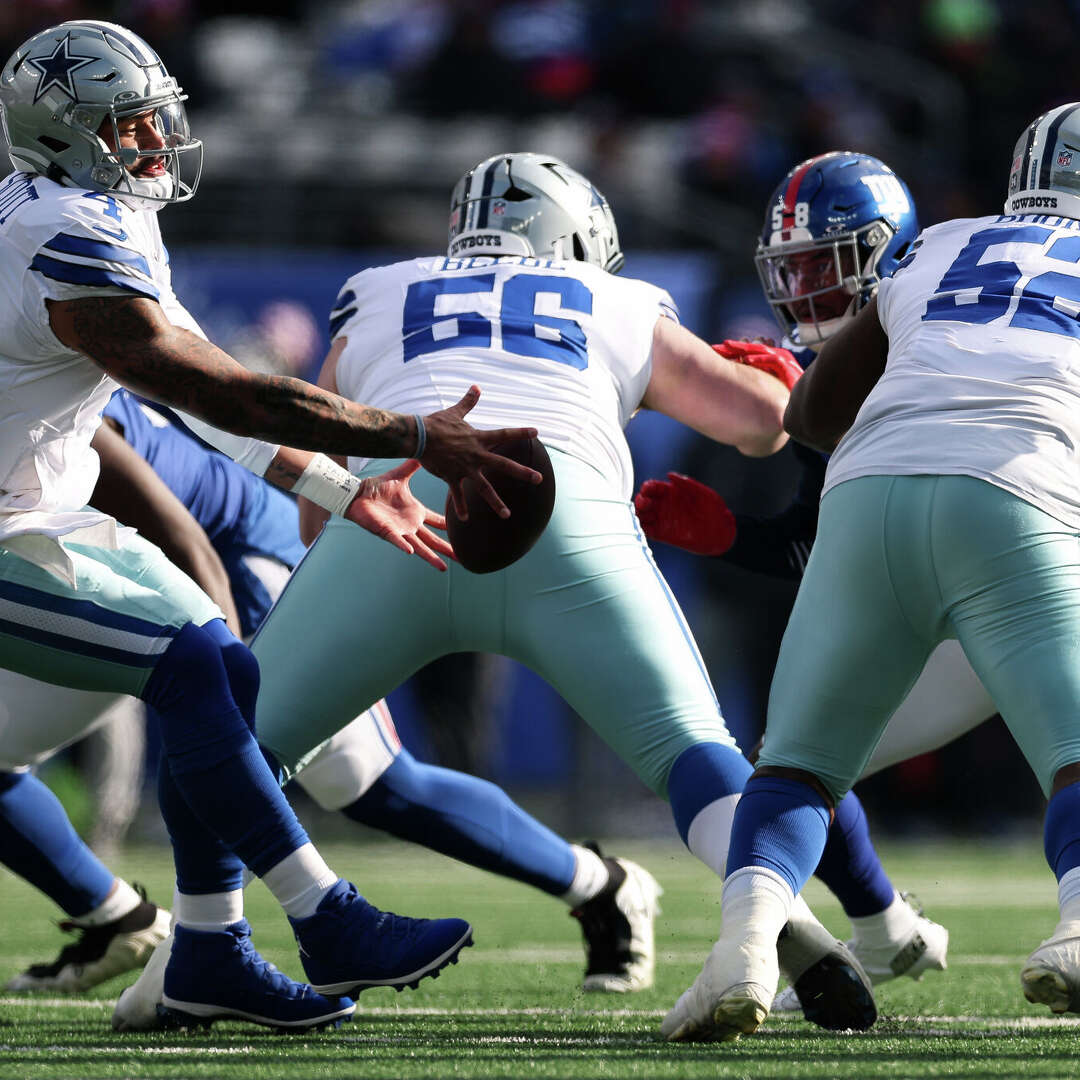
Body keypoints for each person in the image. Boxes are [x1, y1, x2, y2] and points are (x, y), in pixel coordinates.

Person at [243, 150, 881, 1034]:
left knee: (236, 746)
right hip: (564, 501)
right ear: (576, 236)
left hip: (402, 511)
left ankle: (194, 947)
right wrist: (770, 374)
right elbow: (759, 423)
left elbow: (319, 480)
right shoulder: (616, 298)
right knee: (692, 751)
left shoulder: (381, 291)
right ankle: (767, 925)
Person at [0, 18, 542, 1030]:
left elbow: (199, 384)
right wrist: (413, 435)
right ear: (65, 133)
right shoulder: (56, 232)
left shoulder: (85, 211)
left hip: (40, 514)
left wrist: (343, 484)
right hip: (13, 527)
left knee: (220, 669)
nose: (156, 140)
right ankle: (320, 917)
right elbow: (225, 396)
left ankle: (209, 952)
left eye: (155, 118)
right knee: (199, 664)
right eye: (129, 126)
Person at [2, 389, 662, 1010]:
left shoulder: (61, 402)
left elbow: (187, 539)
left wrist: (222, 680)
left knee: (365, 781)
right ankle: (119, 918)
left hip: (239, 565)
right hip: (118, 581)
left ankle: (601, 886)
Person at [660, 102, 1080, 1042]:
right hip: (1018, 499)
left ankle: (745, 951)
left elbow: (807, 419)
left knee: (795, 768)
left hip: (871, 498)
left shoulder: (943, 245)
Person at [634, 152, 957, 1018]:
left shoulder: (944, 325)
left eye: (825, 264)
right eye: (793, 270)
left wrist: (815, 405)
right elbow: (826, 546)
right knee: (797, 757)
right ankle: (884, 930)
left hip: (1027, 581)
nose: (804, 289)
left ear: (888, 254)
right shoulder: (821, 362)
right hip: (951, 603)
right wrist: (736, 535)